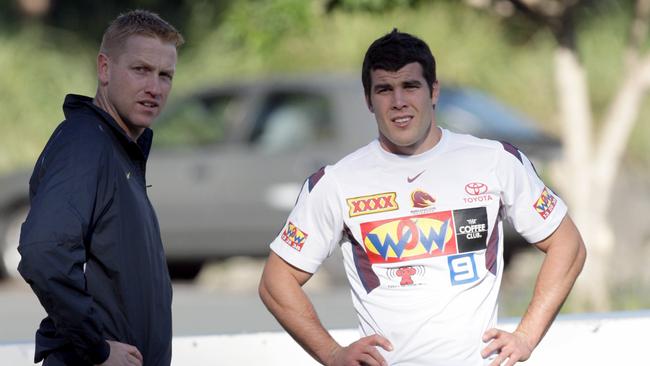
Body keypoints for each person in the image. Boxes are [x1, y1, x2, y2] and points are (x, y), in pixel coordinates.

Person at [259, 29, 586, 366]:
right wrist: (332, 354)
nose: (399, 101)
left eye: (410, 86)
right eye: (384, 89)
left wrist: (526, 337)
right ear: (369, 101)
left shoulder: (495, 161)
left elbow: (568, 245)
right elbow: (276, 281)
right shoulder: (337, 182)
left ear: (433, 91)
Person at [18, 10, 183, 366]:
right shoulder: (85, 144)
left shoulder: (117, 150)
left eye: (165, 75)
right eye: (141, 70)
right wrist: (96, 348)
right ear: (105, 68)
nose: (154, 87)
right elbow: (43, 252)